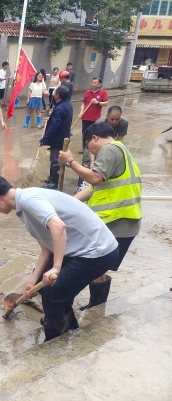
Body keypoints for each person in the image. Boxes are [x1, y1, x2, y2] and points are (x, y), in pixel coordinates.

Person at [0, 176, 119, 342]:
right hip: (80, 249)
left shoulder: (29, 200)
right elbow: (46, 248)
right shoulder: (22, 208)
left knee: (54, 293)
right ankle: (65, 324)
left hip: (98, 251)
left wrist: (56, 268)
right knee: (45, 284)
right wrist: (33, 281)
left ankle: (57, 339)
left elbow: (58, 226)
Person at [59, 121, 141, 311]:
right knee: (98, 265)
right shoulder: (122, 150)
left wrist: (70, 161)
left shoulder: (110, 149)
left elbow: (95, 178)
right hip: (121, 221)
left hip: (116, 220)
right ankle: (96, 307)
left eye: (89, 146)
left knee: (90, 262)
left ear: (94, 138)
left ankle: (91, 304)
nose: (91, 152)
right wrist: (68, 203)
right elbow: (94, 187)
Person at [40, 86, 73, 189]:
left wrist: (44, 139)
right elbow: (58, 120)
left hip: (58, 138)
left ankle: (54, 182)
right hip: (63, 136)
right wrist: (49, 119)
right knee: (54, 158)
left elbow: (55, 126)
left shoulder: (60, 108)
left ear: (57, 95)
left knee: (56, 160)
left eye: (54, 92)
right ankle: (51, 177)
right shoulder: (67, 105)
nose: (53, 93)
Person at [80, 77, 109, 161]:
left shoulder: (103, 92)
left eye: (95, 83)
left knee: (94, 134)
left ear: (100, 84)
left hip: (95, 118)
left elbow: (106, 103)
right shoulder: (87, 92)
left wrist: (97, 102)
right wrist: (81, 112)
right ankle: (84, 148)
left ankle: (92, 148)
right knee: (85, 133)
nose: (93, 84)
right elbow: (83, 103)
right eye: (92, 82)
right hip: (85, 117)